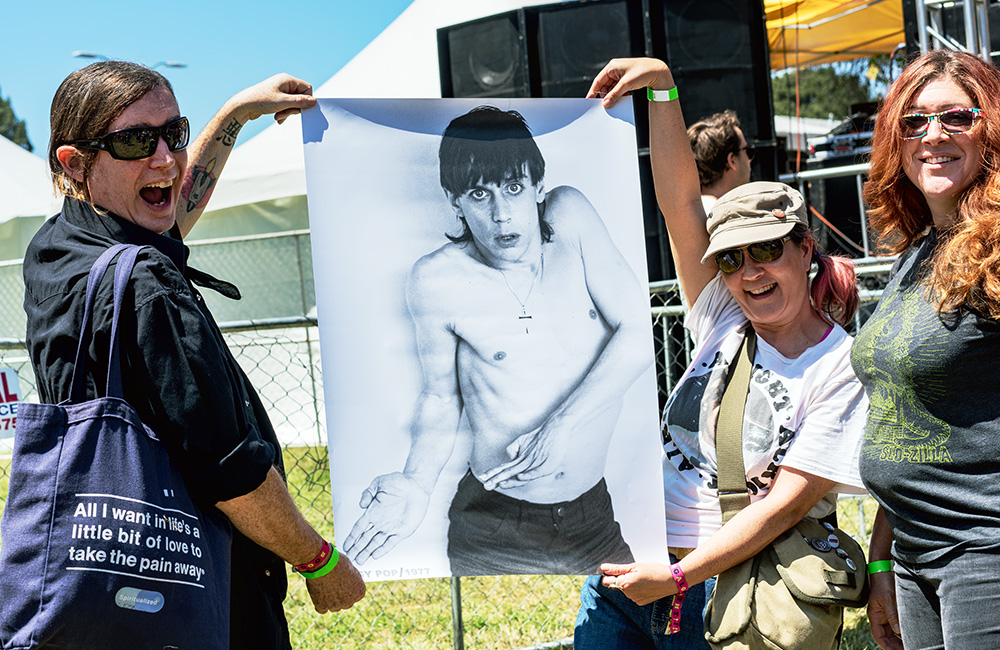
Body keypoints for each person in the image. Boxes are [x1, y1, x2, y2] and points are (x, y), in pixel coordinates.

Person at [22, 61, 365, 650]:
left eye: (172, 133)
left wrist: (234, 115)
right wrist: (319, 560)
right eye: (135, 141)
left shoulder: (58, 247)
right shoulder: (147, 286)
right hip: (201, 592)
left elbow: (172, 208)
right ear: (75, 163)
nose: (165, 159)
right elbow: (234, 475)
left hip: (104, 577)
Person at [574, 57, 868, 649]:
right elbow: (681, 204)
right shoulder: (724, 315)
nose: (749, 272)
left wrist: (679, 577)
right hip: (626, 575)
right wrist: (662, 87)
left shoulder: (843, 367)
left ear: (804, 248)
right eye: (731, 258)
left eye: (766, 250)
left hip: (723, 592)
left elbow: (784, 508)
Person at [342, 105, 653, 576]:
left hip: (591, 516)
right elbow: (440, 396)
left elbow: (636, 331)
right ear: (455, 200)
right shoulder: (436, 279)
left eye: (513, 188)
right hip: (493, 525)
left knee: (632, 621)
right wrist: (417, 482)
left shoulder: (571, 218)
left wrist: (560, 426)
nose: (501, 214)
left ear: (538, 186)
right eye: (479, 193)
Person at [855, 49, 1000, 650]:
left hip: (985, 551)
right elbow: (905, 421)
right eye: (914, 122)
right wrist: (882, 561)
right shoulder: (917, 253)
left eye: (956, 117)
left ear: (990, 129)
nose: (933, 135)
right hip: (914, 554)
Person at [687, 110, 753, 213]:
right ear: (732, 160)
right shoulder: (724, 215)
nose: (749, 160)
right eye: (748, 151)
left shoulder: (692, 211)